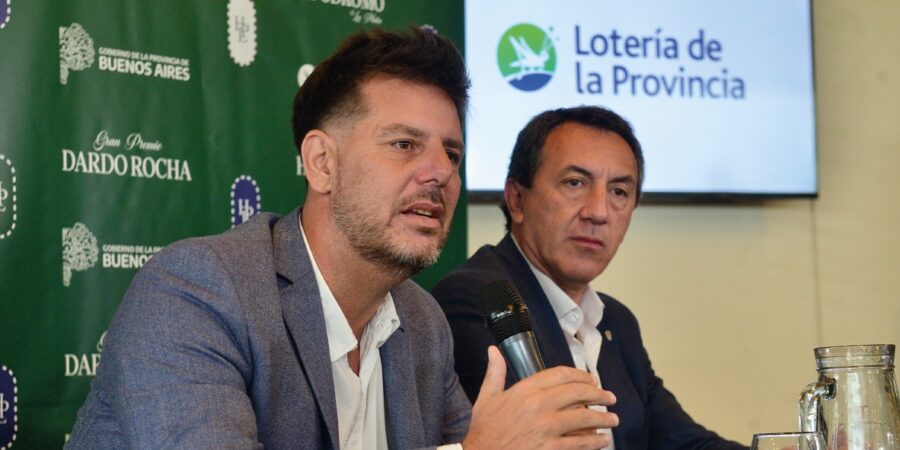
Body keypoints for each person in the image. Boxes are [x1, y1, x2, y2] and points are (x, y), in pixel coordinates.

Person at [65, 29, 619, 450]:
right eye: (404, 145)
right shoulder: (197, 293)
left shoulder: (423, 325)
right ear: (321, 163)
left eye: (451, 153)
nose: (441, 174)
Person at [432, 106, 749, 449]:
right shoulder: (480, 298)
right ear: (517, 199)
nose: (598, 212)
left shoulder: (616, 322)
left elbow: (684, 443)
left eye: (619, 192)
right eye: (575, 183)